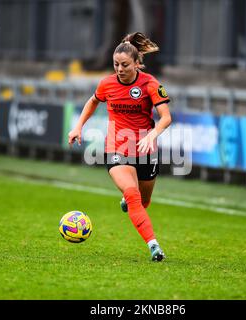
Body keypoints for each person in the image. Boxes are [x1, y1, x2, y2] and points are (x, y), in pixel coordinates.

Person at [68, 32, 172, 261]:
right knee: (134, 195)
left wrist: (151, 136)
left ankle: (129, 199)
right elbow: (93, 101)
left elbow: (166, 118)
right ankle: (153, 245)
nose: (120, 69)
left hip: (145, 150)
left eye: (125, 64)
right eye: (116, 64)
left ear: (137, 63)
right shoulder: (107, 84)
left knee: (144, 202)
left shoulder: (150, 84)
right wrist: (78, 127)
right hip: (117, 147)